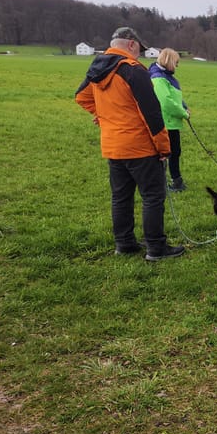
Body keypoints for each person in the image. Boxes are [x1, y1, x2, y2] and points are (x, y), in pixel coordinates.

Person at [75, 27, 185, 261]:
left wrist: (104, 114)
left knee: (121, 197)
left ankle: (124, 243)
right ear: (132, 45)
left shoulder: (98, 68)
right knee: (153, 196)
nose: (140, 55)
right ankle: (156, 248)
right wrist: (164, 148)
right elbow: (152, 113)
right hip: (140, 147)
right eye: (140, 50)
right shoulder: (133, 71)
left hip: (113, 147)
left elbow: (81, 97)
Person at [149, 48, 190, 192]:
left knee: (175, 152)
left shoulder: (166, 76)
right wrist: (183, 114)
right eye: (176, 62)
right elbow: (165, 102)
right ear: (169, 61)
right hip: (166, 123)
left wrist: (183, 105)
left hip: (172, 123)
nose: (177, 66)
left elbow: (174, 96)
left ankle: (176, 181)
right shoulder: (158, 78)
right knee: (167, 153)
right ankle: (167, 182)